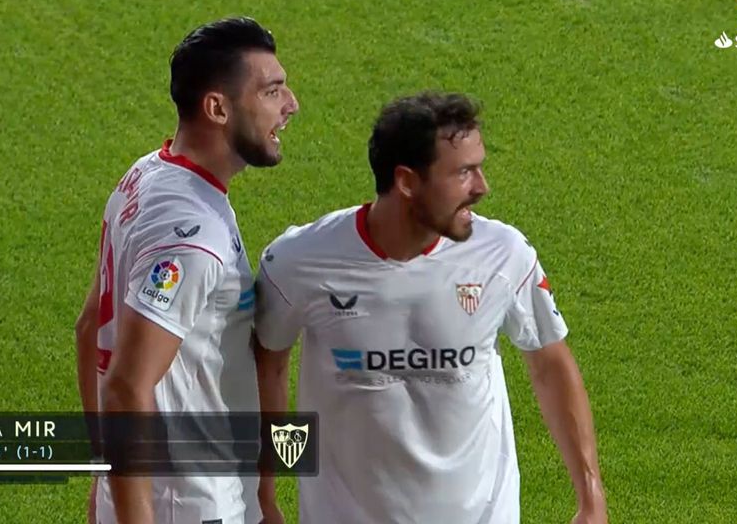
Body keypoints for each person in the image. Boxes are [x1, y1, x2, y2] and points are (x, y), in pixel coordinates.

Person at [253, 92, 606, 524]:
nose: (482, 187)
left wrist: (590, 497)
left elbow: (549, 364)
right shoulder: (300, 261)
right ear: (406, 182)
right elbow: (268, 370)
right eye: (463, 173)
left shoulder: (503, 254)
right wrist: (265, 494)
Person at [73, 16, 299, 524]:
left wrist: (103, 472)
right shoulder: (192, 233)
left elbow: (90, 329)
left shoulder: (148, 173)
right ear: (217, 107)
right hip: (188, 502)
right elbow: (128, 385)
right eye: (272, 91)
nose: (290, 106)